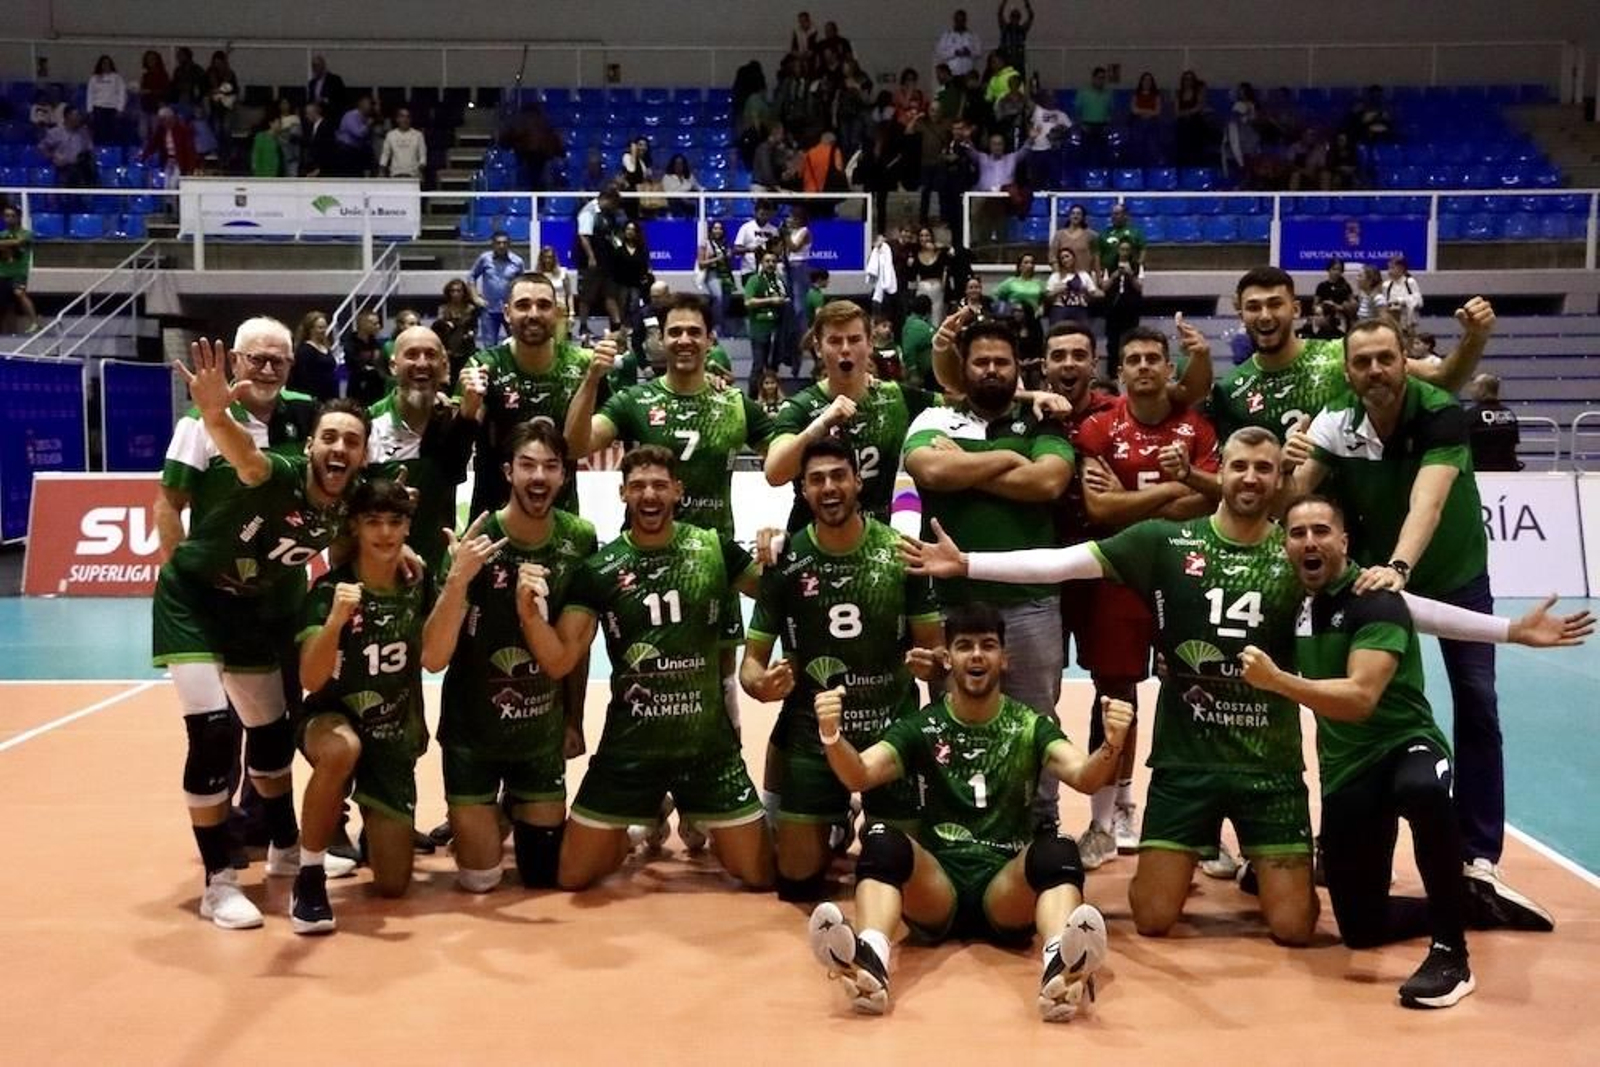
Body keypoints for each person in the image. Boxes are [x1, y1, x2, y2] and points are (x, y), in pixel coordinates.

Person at [904, 428, 1320, 946]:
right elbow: (1064, 562)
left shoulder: (1300, 552)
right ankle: (1219, 851)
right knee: (1151, 916)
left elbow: (1364, 611)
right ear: (1221, 471)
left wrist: (1390, 580)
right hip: (1185, 763)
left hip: (1270, 765)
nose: (1250, 478)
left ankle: (1266, 859)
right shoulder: (1163, 541)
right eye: (1239, 467)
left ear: (1282, 476)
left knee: (1294, 928)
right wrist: (968, 563)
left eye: (1264, 468)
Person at [1239, 495, 1592, 1006]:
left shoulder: (1374, 597)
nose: (1310, 541)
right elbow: (1422, 613)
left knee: (1422, 789)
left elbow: (1361, 698)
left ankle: (1452, 954)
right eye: (1298, 533)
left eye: (1321, 530)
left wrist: (1277, 681)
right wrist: (1511, 631)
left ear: (1344, 540)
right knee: (1360, 928)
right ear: (1285, 545)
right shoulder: (1296, 601)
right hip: (1346, 770)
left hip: (1405, 745)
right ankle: (1465, 901)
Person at [1283, 317, 1554, 932]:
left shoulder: (1439, 413)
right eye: (1362, 362)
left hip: (1448, 570)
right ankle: (1351, 839)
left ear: (1404, 361)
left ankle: (1478, 855)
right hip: (1378, 570)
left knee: (1477, 700)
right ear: (1348, 371)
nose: (1374, 371)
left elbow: (1427, 502)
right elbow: (1299, 497)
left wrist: (1400, 567)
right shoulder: (1335, 419)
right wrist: (1286, 463)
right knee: (1370, 697)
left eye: (1385, 358)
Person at [804, 603, 1125, 1021]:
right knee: (881, 841)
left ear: (1004, 659)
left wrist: (1112, 743)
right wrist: (831, 736)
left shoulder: (1030, 724)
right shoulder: (925, 726)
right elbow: (860, 774)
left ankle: (1059, 969)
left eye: (988, 645)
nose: (976, 655)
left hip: (1005, 890)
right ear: (947, 658)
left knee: (1059, 850)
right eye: (964, 646)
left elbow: (1084, 776)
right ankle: (871, 959)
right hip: (938, 887)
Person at [154, 340, 366, 929]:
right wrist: (216, 414)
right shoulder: (283, 474)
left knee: (271, 742)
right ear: (311, 444)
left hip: (250, 606)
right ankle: (218, 879)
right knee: (214, 735)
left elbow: (374, 531)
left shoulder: (347, 503)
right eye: (329, 438)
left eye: (351, 441)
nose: (338, 449)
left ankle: (284, 849)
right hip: (194, 599)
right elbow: (245, 459)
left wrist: (402, 560)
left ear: (363, 455)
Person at [517, 446, 776, 891]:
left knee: (759, 876)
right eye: (638, 486)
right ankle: (641, 823)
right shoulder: (599, 569)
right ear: (622, 494)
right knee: (572, 876)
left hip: (707, 751)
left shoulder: (712, 548)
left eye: (659, 485)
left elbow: (780, 595)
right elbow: (560, 659)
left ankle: (695, 817)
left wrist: (775, 552)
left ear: (678, 490)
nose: (649, 494)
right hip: (629, 751)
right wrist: (530, 617)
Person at [744, 439, 944, 900]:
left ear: (857, 481)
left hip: (889, 734)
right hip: (814, 737)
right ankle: (835, 825)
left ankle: (870, 819)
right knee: (795, 881)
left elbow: (937, 654)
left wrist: (931, 664)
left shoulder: (900, 553)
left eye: (838, 476)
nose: (829, 488)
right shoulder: (785, 560)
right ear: (802, 490)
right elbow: (751, 665)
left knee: (897, 873)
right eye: (816, 479)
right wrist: (761, 685)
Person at [290, 480, 489, 932]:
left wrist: (457, 581)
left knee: (394, 885)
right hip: (330, 718)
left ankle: (371, 822)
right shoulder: (329, 590)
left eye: (394, 522)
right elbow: (309, 678)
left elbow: (435, 660)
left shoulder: (416, 585)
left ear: (407, 527)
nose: (384, 533)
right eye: (373, 522)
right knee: (342, 750)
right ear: (356, 526)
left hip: (392, 732)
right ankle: (309, 876)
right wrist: (337, 622)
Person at [904, 315, 1075, 829]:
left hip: (1030, 599)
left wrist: (971, 467)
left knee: (1036, 720)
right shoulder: (934, 419)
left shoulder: (1043, 421)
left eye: (1002, 361)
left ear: (1017, 367)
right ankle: (953, 815)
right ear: (964, 367)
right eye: (982, 361)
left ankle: (1041, 820)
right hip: (951, 600)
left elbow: (1049, 482)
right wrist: (1005, 457)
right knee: (951, 714)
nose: (992, 370)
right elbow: (931, 470)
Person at [1070, 326, 1220, 868]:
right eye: (1132, 359)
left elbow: (1206, 506)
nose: (1143, 367)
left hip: (1189, 573)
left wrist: (1134, 498)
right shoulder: (1098, 429)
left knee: (1199, 691)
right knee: (1115, 695)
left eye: (1153, 358)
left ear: (1168, 368)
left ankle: (1201, 825)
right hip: (1120, 574)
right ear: (1120, 373)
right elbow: (1101, 512)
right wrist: (1169, 493)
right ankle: (1104, 820)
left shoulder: (1197, 429)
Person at [434, 421, 597, 893]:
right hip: (472, 734)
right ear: (508, 472)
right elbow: (432, 658)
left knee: (545, 876)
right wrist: (457, 580)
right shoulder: (476, 542)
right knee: (481, 881)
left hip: (539, 737)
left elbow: (575, 649)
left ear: (564, 476)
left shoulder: (580, 538)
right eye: (527, 465)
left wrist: (575, 720)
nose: (539, 476)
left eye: (550, 466)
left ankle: (510, 810)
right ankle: (482, 813)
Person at [1210, 267, 1492, 442]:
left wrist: (1475, 337)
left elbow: (1443, 380)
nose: (1265, 316)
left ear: (1295, 310)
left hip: (1348, 526)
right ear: (1241, 314)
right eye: (1254, 307)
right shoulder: (1230, 389)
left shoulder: (1343, 354)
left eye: (1274, 304)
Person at [766, 300, 945, 531]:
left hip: (876, 544)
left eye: (854, 339)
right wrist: (821, 424)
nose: (845, 349)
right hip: (811, 544)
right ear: (818, 348)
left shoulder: (895, 397)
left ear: (870, 344)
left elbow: (956, 402)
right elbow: (774, 473)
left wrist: (942, 349)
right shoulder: (799, 407)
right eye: (834, 341)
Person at [465, 272, 603, 518]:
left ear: (557, 313)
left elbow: (588, 442)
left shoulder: (585, 366)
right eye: (523, 305)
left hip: (562, 522)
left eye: (543, 305)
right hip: (492, 521)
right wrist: (468, 408)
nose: (533, 314)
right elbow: (458, 447)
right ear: (507, 313)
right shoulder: (483, 365)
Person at [365, 326, 483, 574]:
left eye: (430, 355)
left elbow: (454, 469)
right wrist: (386, 499)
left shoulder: (456, 419)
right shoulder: (368, 423)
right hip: (377, 566)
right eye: (412, 354)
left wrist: (468, 413)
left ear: (444, 366)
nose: (422, 363)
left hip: (436, 569)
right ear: (393, 366)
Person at [574, 184, 624, 343]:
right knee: (587, 296)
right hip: (591, 262)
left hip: (607, 262)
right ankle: (583, 326)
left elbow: (612, 236)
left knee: (610, 294)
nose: (615, 207)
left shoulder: (609, 214)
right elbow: (584, 236)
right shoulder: (588, 212)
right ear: (605, 199)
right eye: (613, 203)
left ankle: (617, 326)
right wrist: (591, 257)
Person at [744, 249, 790, 395]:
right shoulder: (755, 280)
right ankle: (751, 398)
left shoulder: (779, 281)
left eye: (773, 261)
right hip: (759, 329)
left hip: (777, 329)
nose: (770, 264)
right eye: (767, 261)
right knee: (758, 365)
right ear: (761, 263)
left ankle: (771, 399)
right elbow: (748, 302)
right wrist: (770, 300)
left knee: (773, 367)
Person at [470, 231, 527, 349]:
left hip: (511, 309)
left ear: (509, 244)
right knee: (490, 345)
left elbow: (522, 283)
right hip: (489, 309)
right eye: (498, 243)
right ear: (493, 244)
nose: (501, 245)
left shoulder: (517, 262)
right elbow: (471, 277)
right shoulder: (485, 259)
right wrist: (475, 297)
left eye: (504, 243)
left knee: (516, 342)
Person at [1099, 241, 1145, 370]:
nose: (1124, 252)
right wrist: (1114, 276)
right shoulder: (1109, 266)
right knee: (1112, 342)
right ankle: (1112, 371)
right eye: (1122, 249)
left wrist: (1130, 274)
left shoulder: (1137, 266)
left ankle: (1130, 368)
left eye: (1127, 249)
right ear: (1118, 250)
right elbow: (1104, 287)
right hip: (1113, 308)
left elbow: (1139, 287)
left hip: (1131, 309)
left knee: (1130, 339)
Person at [1464, 374, 1521, 472]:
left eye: (1474, 385)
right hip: (1508, 470)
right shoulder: (1509, 414)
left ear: (1482, 389)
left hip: (1480, 471)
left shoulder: (1472, 415)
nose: (1471, 390)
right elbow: (1513, 444)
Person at [433, 278, 484, 381]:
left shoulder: (470, 309)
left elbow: (474, 327)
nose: (455, 294)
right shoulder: (443, 309)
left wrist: (470, 334)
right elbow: (437, 328)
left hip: (465, 347)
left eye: (458, 291)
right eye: (452, 291)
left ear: (464, 292)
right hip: (448, 349)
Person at [0, 205, 39, 333]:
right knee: (7, 304)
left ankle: (34, 323)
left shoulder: (27, 234)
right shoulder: (3, 234)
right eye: (6, 216)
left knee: (19, 293)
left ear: (18, 218)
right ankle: (10, 332)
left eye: (12, 216)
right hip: (3, 272)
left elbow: (18, 242)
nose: (9, 219)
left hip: (18, 272)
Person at [341, 310, 389, 407]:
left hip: (377, 389)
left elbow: (382, 365)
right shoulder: (350, 343)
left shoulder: (377, 343)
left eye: (378, 323)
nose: (378, 326)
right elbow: (354, 365)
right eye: (374, 324)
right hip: (358, 390)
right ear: (363, 324)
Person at [697, 219, 737, 334]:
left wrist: (729, 256)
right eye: (715, 228)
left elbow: (728, 260)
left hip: (725, 275)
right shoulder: (705, 243)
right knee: (718, 297)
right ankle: (716, 328)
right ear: (711, 229)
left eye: (720, 228)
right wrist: (717, 259)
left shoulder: (725, 243)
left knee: (726, 301)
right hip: (712, 273)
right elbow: (701, 263)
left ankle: (722, 326)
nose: (718, 231)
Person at [40, 106, 95, 188]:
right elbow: (42, 147)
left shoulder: (84, 133)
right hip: (63, 169)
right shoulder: (55, 132)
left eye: (79, 116)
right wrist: (53, 157)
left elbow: (90, 150)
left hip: (81, 169)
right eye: (76, 116)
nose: (79, 118)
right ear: (67, 117)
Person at [1044, 248, 1099, 329]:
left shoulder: (1083, 275)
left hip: (1079, 308)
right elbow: (1047, 296)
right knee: (1058, 333)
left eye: (1067, 256)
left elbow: (1093, 293)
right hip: (1060, 309)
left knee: (1083, 334)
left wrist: (1085, 291)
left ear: (1073, 258)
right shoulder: (1055, 276)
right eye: (1062, 258)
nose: (1065, 260)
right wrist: (1057, 290)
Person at [288, 311, 337, 401]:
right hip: (313, 397)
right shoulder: (305, 350)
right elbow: (302, 376)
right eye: (320, 328)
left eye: (325, 327)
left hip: (329, 396)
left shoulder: (326, 348)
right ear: (311, 329)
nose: (324, 330)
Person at [87, 55, 128, 146]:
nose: (106, 65)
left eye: (108, 63)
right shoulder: (94, 78)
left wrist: (120, 109)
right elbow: (90, 94)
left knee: (113, 132)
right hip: (98, 107)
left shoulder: (117, 78)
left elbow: (122, 93)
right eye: (104, 64)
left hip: (113, 108)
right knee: (100, 132)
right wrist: (89, 110)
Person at [379, 106, 426, 180]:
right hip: (395, 175)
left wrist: (421, 170)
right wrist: (381, 171)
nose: (405, 119)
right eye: (402, 116)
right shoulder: (390, 135)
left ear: (411, 119)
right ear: (397, 119)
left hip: (413, 175)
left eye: (408, 117)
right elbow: (385, 155)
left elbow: (422, 155)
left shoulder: (418, 135)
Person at [935, 9, 983, 78]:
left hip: (968, 73)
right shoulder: (947, 35)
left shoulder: (973, 35)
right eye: (957, 20)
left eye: (962, 20)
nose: (960, 23)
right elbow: (940, 53)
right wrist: (954, 53)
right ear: (954, 20)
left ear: (965, 21)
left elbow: (979, 52)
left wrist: (970, 52)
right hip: (952, 73)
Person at [1382, 256, 1424, 334]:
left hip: (1408, 323)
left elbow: (1419, 302)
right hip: (1393, 323)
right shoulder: (1386, 285)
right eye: (1388, 268)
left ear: (1401, 269)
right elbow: (1385, 304)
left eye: (1392, 268)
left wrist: (1401, 301)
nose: (1389, 271)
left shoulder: (1410, 282)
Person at [996, 0, 1035, 74]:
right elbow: (1000, 14)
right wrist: (1004, 2)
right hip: (1006, 62)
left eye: (1017, 17)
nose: (1015, 19)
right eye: (1013, 16)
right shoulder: (1005, 28)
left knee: (1019, 82)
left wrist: (1027, 4)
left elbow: (1031, 16)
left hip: (1019, 62)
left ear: (1019, 18)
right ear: (1010, 17)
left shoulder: (1022, 30)